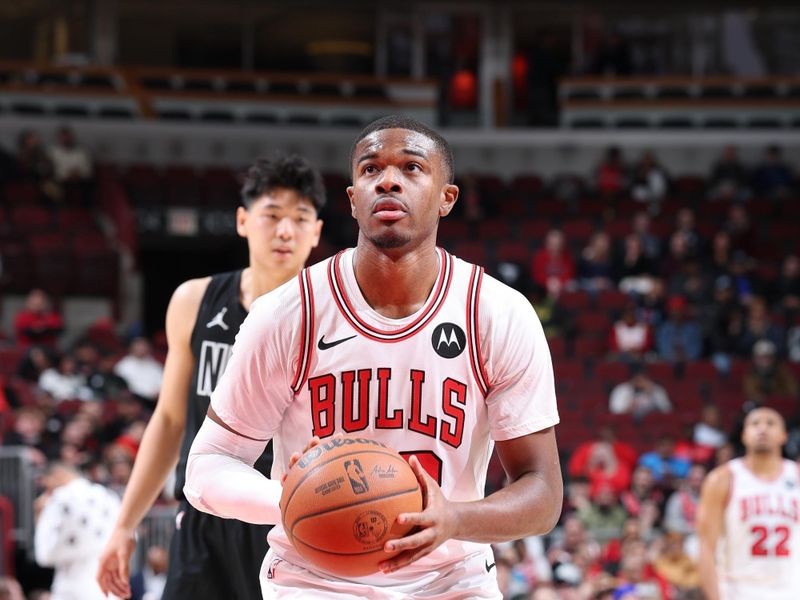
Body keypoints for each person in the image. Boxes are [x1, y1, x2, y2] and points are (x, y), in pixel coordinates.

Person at [183, 115, 563, 598]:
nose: (387, 179)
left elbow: (544, 495)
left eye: (411, 168)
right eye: (370, 170)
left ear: (447, 198)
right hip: (314, 580)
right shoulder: (287, 314)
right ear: (353, 199)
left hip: (451, 580)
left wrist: (453, 518)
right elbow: (208, 465)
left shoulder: (498, 313)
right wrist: (297, 498)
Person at [96, 154, 326, 600]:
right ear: (242, 221)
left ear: (316, 232)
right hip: (205, 520)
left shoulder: (330, 316)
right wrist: (124, 525)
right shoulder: (193, 300)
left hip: (287, 518)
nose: (285, 231)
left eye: (300, 219)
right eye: (272, 215)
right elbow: (168, 420)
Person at [697, 407, 800, 599]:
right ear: (744, 435)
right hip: (738, 590)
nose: (762, 428)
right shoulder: (722, 479)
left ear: (784, 435)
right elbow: (705, 548)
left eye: (770, 423)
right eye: (755, 423)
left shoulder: (797, 476)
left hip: (792, 590)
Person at [34, 462, 120, 600]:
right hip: (109, 586)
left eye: (47, 486)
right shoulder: (109, 496)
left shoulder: (59, 498)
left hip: (72, 587)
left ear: (58, 475)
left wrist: (39, 516)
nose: (46, 492)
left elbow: (44, 555)